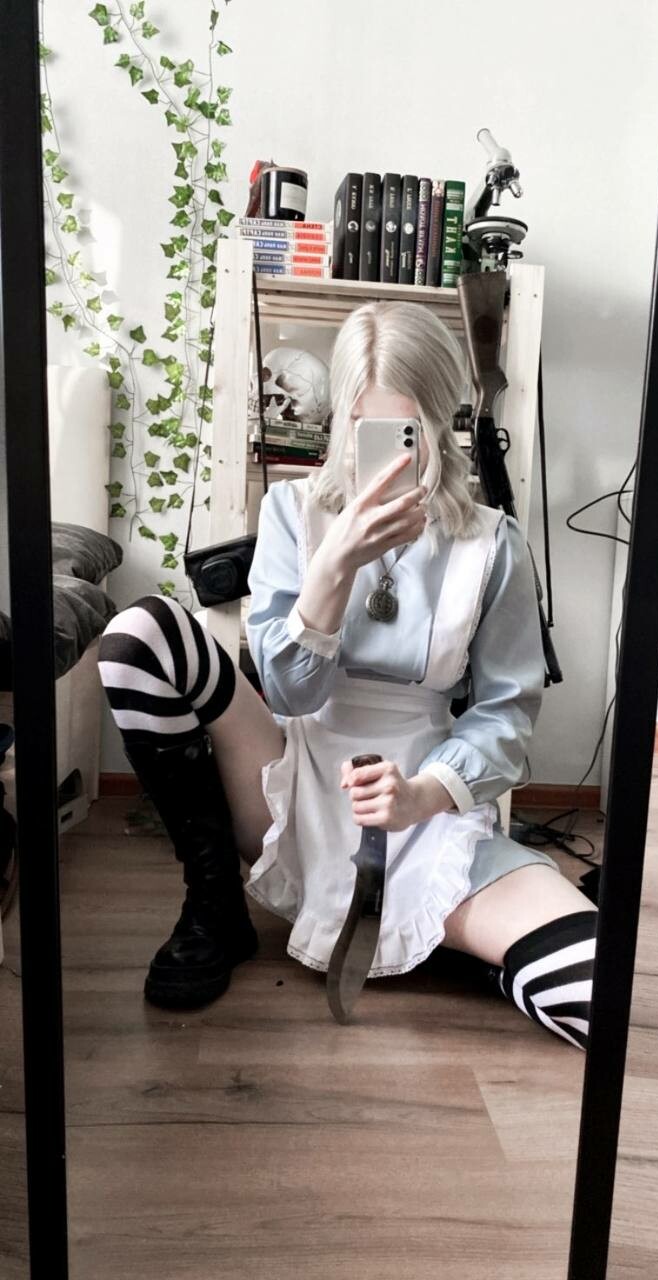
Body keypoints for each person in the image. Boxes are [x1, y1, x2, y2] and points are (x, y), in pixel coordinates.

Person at [98, 300, 598, 1051]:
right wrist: (332, 569)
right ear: (340, 421)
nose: (385, 454)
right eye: (364, 429)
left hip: (425, 802)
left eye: (407, 430)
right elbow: (291, 692)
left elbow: (506, 712)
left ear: (441, 420)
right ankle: (214, 904)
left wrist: (423, 794)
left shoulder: (495, 545)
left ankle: (457, 940)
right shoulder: (291, 512)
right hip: (289, 778)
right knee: (140, 635)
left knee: (596, 988)